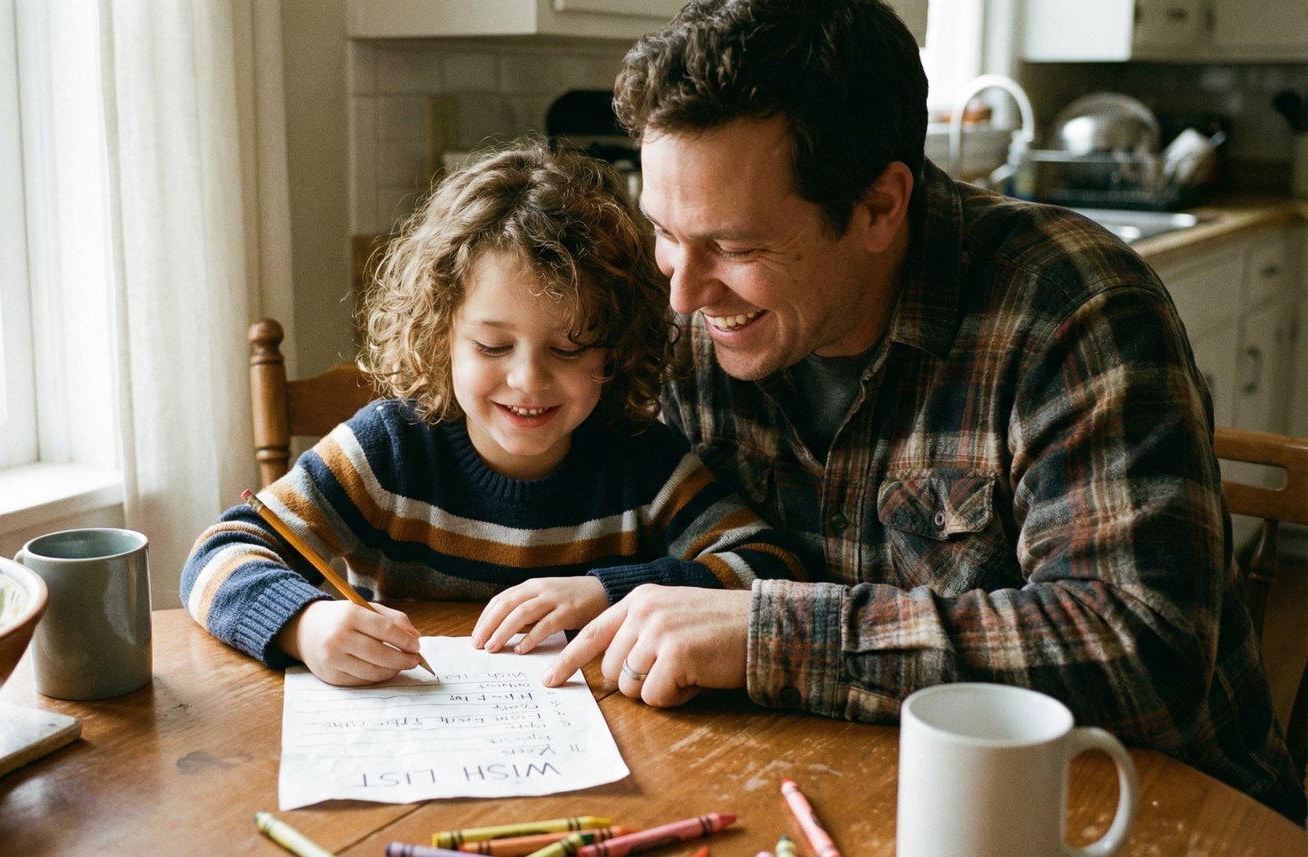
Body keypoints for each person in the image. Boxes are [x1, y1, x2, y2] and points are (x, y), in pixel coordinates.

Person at [540, 0, 1306, 822]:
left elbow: (1141, 650)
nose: (683, 294)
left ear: (880, 207)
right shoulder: (699, 315)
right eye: (664, 231)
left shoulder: (1072, 305)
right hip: (848, 796)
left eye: (736, 247)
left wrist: (768, 634)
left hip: (1146, 816)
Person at [180, 139, 798, 687]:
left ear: (613, 348)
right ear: (439, 334)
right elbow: (217, 555)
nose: (528, 380)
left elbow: (770, 566)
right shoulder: (387, 452)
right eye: (492, 346)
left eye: (568, 347)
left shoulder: (642, 460)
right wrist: (305, 624)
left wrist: (606, 593)